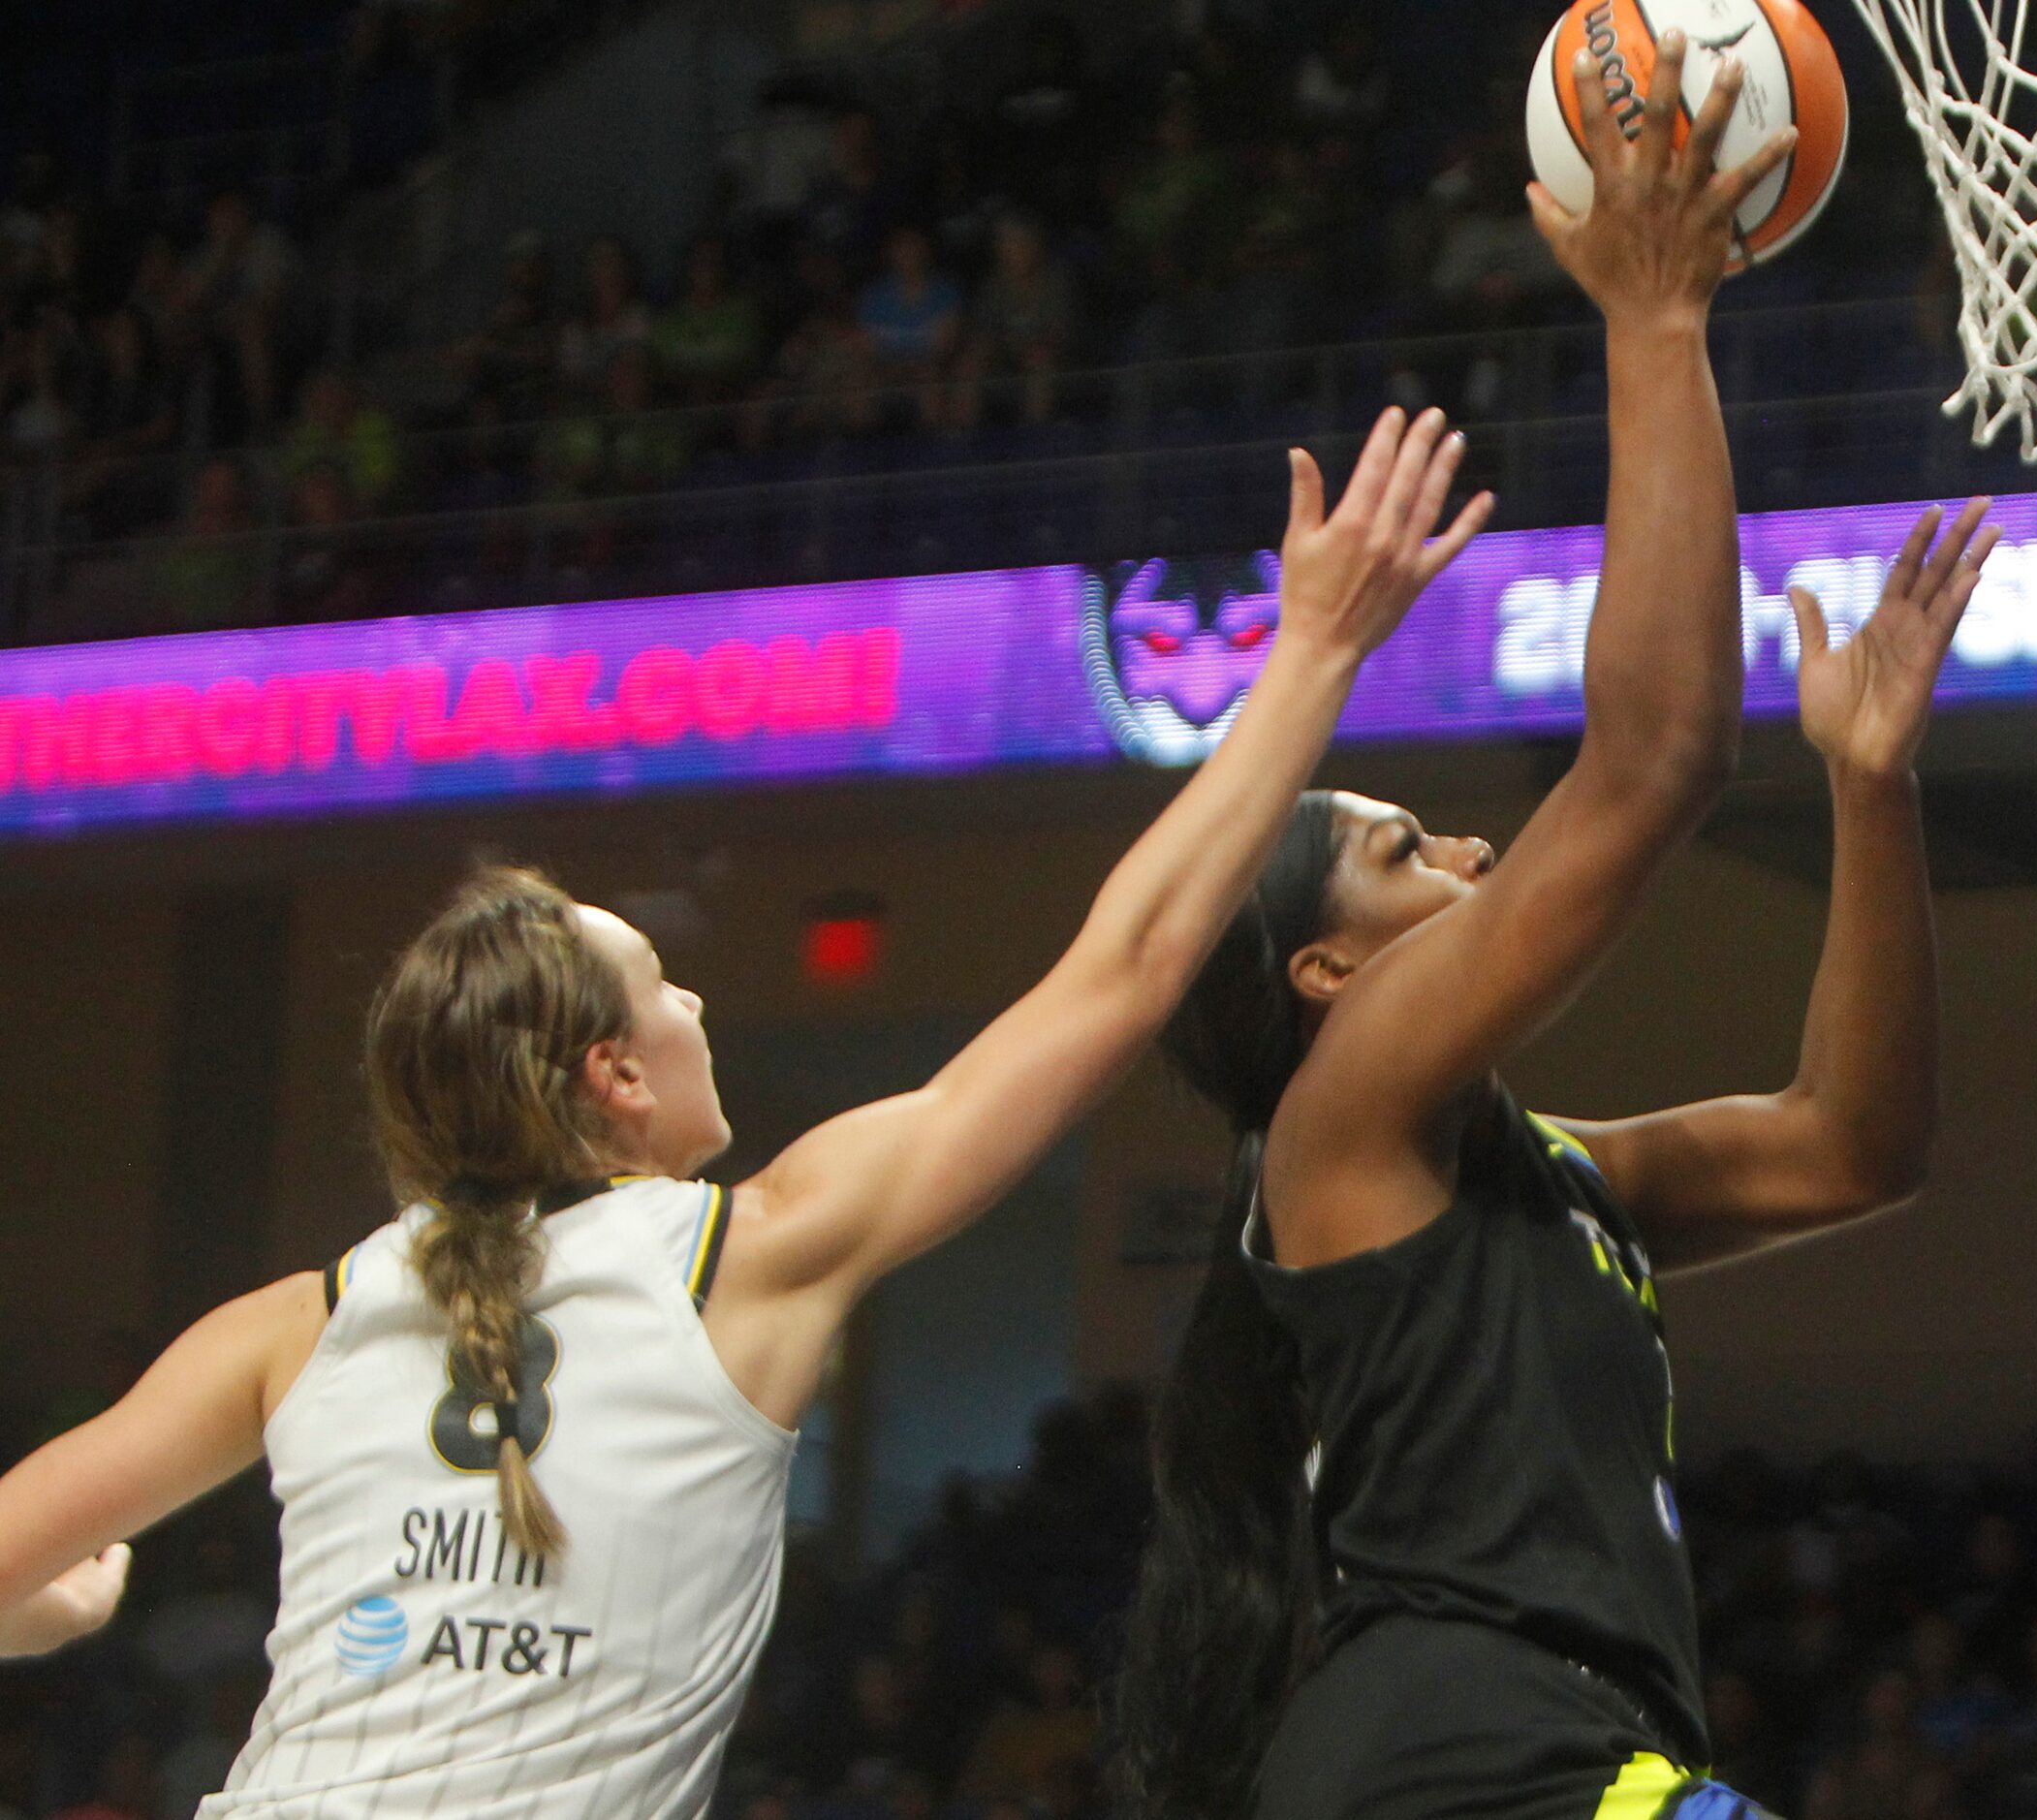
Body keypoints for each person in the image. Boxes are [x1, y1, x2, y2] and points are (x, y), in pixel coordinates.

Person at [0, 401, 1495, 1817]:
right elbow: (1127, 969)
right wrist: (1309, 649)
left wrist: (42, 1606)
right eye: (666, 984)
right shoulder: (752, 1251)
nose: (700, 1004)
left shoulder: (290, 1322)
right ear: (616, 1077)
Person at [1112, 39, 2004, 1820]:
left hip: (1542, 1762)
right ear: (1328, 975)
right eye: (1387, 849)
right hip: (1473, 1764)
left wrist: (1869, 789)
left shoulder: (1544, 1178)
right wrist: (1655, 319)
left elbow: (1854, 1145)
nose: (1448, 836)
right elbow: (1656, 758)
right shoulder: (1334, 1120)